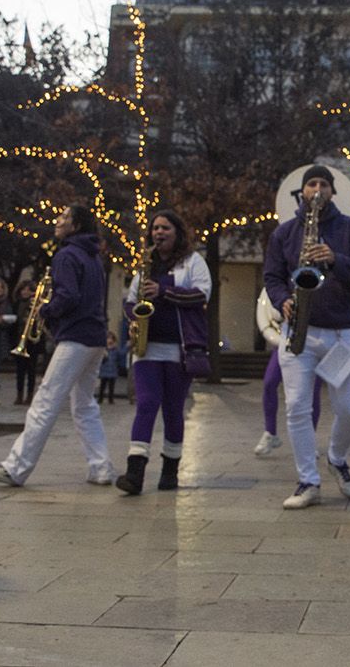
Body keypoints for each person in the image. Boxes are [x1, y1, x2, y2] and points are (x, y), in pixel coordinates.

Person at [0, 205, 115, 489]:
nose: (58, 221)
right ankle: (101, 468)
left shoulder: (66, 255)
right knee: (85, 405)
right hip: (96, 337)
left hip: (75, 337)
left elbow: (67, 297)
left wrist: (45, 310)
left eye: (64, 218)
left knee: (44, 402)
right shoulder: (94, 257)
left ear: (75, 225)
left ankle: (16, 468)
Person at [264, 164, 350, 510]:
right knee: (297, 406)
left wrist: (335, 259)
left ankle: (337, 459)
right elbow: (272, 276)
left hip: (342, 332)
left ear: (332, 191)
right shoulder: (284, 233)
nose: (317, 189)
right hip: (300, 331)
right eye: (311, 184)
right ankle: (308, 481)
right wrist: (282, 301)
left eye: (323, 184)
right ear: (303, 192)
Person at [115, 209, 211, 495]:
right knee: (146, 404)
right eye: (155, 228)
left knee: (172, 410)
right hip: (146, 348)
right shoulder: (145, 266)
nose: (158, 233)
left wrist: (165, 292)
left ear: (177, 232)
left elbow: (202, 294)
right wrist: (135, 316)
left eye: (165, 228)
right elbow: (130, 301)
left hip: (179, 349)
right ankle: (135, 471)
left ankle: (170, 470)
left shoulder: (193, 261)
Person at [253, 290, 320, 456]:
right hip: (285, 339)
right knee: (270, 382)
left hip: (312, 339)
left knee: (313, 390)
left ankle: (309, 439)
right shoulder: (276, 285)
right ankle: (270, 432)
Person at [10, 277, 45, 404]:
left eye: (28, 290)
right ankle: (19, 395)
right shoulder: (16, 304)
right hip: (19, 339)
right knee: (19, 370)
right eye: (23, 290)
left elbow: (42, 322)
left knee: (31, 370)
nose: (25, 292)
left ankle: (29, 395)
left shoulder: (37, 304)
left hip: (32, 342)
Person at [97, 331, 120, 404]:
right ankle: (100, 399)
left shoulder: (115, 349)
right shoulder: (103, 349)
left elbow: (121, 354)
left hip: (112, 371)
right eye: (108, 338)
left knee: (111, 387)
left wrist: (127, 346)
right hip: (104, 371)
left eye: (111, 338)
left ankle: (111, 399)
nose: (110, 340)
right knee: (102, 386)